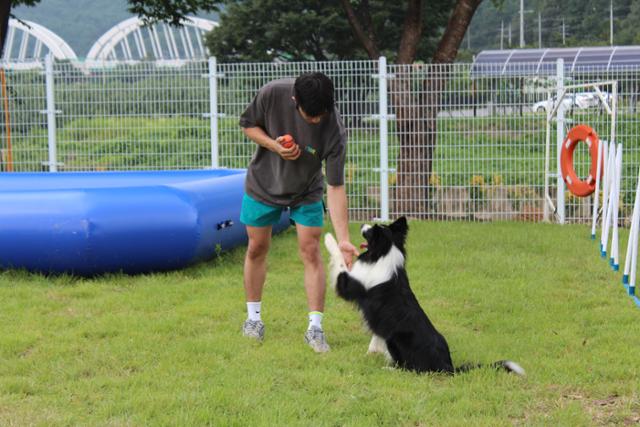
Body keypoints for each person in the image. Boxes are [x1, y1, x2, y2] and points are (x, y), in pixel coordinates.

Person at [238, 72, 358, 353]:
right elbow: (248, 125)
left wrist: (343, 239)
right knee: (257, 247)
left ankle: (315, 328)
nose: (316, 121)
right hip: (263, 184)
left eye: (321, 115)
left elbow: (336, 186)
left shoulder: (335, 131)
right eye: (309, 116)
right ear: (294, 100)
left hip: (306, 190)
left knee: (311, 250)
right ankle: (253, 319)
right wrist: (275, 146)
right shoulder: (272, 93)